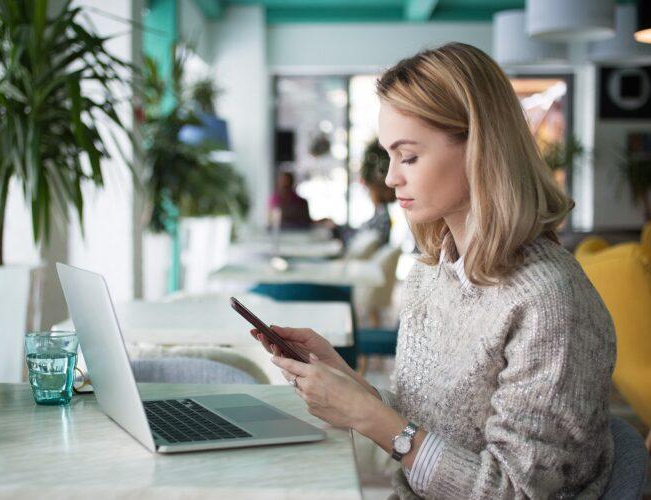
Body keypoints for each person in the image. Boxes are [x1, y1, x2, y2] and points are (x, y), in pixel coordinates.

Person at [250, 42, 615, 499]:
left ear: (479, 149)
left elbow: (518, 493)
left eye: (409, 156)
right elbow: (420, 430)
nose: (390, 178)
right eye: (390, 156)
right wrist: (349, 384)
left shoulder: (549, 302)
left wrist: (369, 416)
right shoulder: (433, 269)